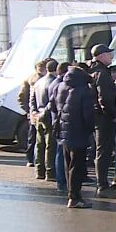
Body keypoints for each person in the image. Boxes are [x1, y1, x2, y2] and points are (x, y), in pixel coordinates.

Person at [56, 66, 95, 209]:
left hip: (64, 130)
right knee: (77, 166)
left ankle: (71, 195)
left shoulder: (61, 86)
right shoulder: (84, 90)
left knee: (68, 165)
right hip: (79, 131)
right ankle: (74, 197)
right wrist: (91, 129)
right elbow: (88, 115)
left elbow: (57, 107)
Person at [91, 44, 116, 199]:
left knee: (101, 150)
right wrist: (112, 114)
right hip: (104, 118)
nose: (111, 57)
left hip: (99, 116)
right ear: (101, 55)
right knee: (103, 150)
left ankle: (102, 183)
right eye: (109, 54)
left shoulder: (94, 71)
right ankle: (102, 185)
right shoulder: (101, 73)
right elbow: (105, 97)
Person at [30, 59, 58, 181]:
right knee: (50, 145)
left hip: (38, 116)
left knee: (39, 144)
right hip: (48, 116)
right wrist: (43, 113)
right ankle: (50, 172)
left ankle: (39, 170)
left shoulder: (38, 82)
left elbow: (32, 99)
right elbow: (51, 101)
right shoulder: (54, 82)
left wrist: (34, 111)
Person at [47, 62, 71, 193]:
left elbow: (51, 105)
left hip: (56, 121)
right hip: (61, 122)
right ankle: (62, 182)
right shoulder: (60, 85)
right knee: (61, 154)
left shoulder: (53, 84)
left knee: (59, 152)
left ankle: (61, 181)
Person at [20, 61, 47, 167]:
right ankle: (31, 159)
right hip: (35, 113)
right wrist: (28, 110)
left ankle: (33, 159)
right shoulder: (32, 80)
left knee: (34, 138)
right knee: (34, 138)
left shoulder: (32, 79)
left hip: (34, 112)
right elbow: (23, 97)